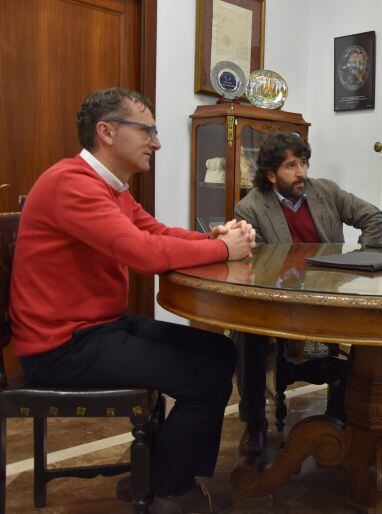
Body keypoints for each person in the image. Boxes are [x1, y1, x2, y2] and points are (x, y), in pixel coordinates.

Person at [8, 88, 256, 514]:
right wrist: (224, 250)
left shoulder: (112, 187)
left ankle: (158, 473)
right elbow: (143, 255)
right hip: (62, 347)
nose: (156, 142)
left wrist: (214, 238)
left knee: (218, 349)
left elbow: (154, 232)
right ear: (106, 132)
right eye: (148, 130)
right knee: (202, 379)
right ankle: (167, 486)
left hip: (102, 328)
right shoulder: (71, 184)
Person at [232, 132, 382, 457]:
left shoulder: (325, 191)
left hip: (331, 295)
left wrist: (357, 262)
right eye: (291, 165)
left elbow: (374, 218)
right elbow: (256, 261)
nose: (302, 172)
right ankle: (255, 422)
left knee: (374, 322)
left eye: (303, 163)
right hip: (279, 300)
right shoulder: (250, 207)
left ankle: (341, 413)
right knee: (245, 333)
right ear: (271, 174)